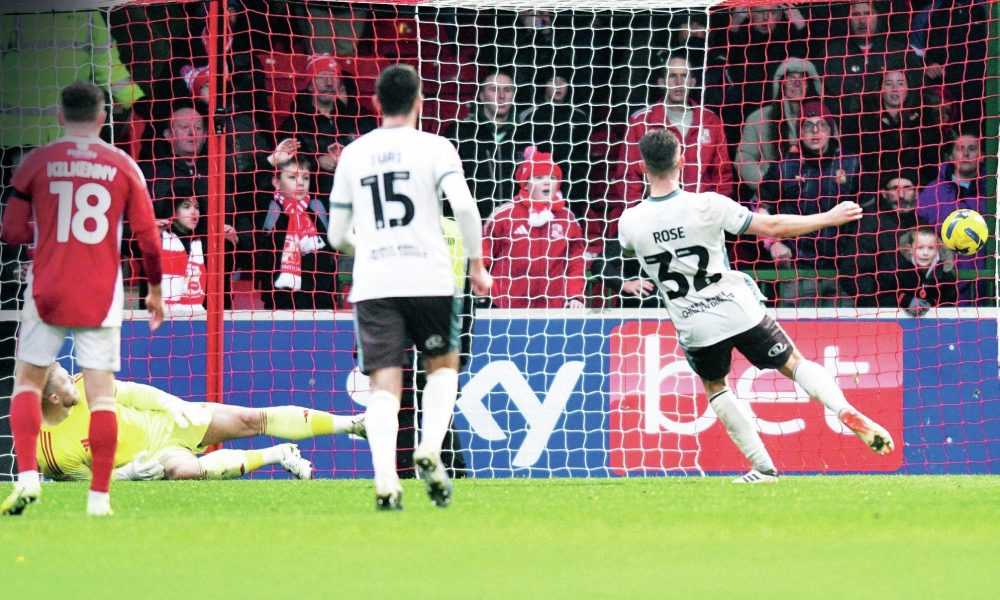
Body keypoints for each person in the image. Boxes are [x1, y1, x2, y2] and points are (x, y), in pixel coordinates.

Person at [617, 129, 893, 484]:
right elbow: (774, 225)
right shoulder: (709, 204)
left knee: (716, 387)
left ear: (642, 167)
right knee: (794, 364)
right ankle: (844, 409)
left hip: (693, 321)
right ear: (681, 162)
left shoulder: (630, 222)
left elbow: (627, 250)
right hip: (736, 306)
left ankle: (763, 468)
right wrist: (829, 217)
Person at [325, 64, 492, 510]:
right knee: (441, 369)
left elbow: (337, 234)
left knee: (384, 386)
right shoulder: (436, 147)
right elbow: (465, 207)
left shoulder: (355, 153)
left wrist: (372, 248)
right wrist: (477, 264)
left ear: (377, 104)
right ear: (419, 101)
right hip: (429, 275)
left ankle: (384, 480)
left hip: (376, 280)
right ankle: (430, 449)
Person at [1, 81, 164, 517]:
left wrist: (48, 232)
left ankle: (29, 478)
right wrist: (154, 290)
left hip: (48, 285)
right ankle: (99, 499)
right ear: (103, 119)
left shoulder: (37, 162)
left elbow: (11, 232)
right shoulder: (122, 164)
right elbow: (148, 238)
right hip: (100, 289)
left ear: (60, 117)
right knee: (103, 398)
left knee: (28, 384)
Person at [35, 364, 365, 482]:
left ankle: (353, 424)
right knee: (186, 471)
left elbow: (136, 394)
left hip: (168, 423)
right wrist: (128, 474)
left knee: (251, 419)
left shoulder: (85, 384)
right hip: (153, 460)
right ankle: (278, 455)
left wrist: (172, 404)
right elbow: (85, 485)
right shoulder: (49, 453)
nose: (72, 377)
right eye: (65, 380)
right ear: (53, 399)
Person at [755, 101, 860, 307]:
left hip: (841, 270)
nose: (815, 131)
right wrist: (772, 243)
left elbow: (866, 214)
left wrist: (855, 256)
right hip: (796, 270)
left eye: (821, 125)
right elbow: (761, 209)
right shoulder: (784, 167)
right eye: (807, 125)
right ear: (799, 131)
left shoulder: (851, 164)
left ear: (831, 130)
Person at [617, 53, 733, 208]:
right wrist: (641, 210)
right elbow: (628, 175)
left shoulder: (710, 121)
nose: (679, 82)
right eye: (672, 76)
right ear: (661, 82)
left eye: (684, 76)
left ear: (692, 82)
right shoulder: (641, 121)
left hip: (700, 213)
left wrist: (714, 211)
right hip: (657, 212)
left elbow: (722, 174)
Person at [483, 147, 587, 309]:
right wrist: (482, 286)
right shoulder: (503, 215)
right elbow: (484, 254)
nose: (547, 182)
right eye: (539, 178)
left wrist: (575, 295)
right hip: (506, 305)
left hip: (552, 307)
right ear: (525, 184)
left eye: (552, 177)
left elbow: (575, 262)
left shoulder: (568, 219)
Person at [254, 155, 340, 310]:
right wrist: (272, 159)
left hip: (321, 304)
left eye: (305, 178)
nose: (300, 182)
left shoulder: (319, 207)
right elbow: (242, 185)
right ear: (276, 182)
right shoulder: (268, 208)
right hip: (279, 305)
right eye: (292, 177)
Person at [838, 172, 925, 308]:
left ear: (917, 192)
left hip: (922, 312)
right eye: (895, 189)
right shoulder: (870, 224)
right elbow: (852, 275)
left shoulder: (924, 227)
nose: (901, 195)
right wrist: (896, 301)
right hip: (878, 314)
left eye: (908, 188)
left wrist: (927, 299)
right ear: (884, 193)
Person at [446, 71, 522, 218]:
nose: (501, 96)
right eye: (494, 90)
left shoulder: (527, 134)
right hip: (472, 225)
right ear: (481, 96)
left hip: (517, 228)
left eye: (507, 90)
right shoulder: (460, 133)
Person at [876, 227, 958, 313]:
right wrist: (907, 302)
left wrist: (931, 305)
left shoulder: (945, 275)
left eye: (930, 248)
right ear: (909, 249)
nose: (925, 253)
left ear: (936, 250)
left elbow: (949, 302)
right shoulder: (895, 269)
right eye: (920, 248)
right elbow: (881, 296)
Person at [158, 195, 207, 317]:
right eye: (186, 206)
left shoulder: (204, 243)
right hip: (161, 320)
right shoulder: (159, 238)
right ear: (173, 210)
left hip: (198, 320)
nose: (194, 212)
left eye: (197, 207)